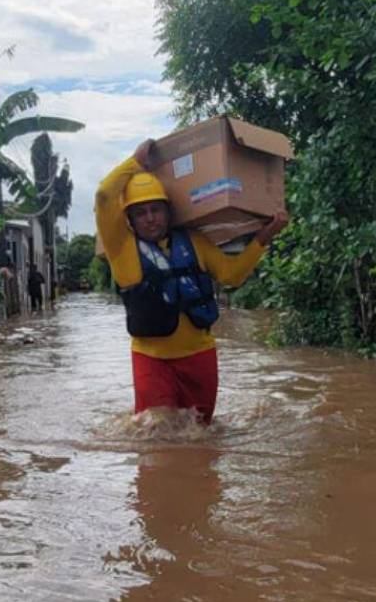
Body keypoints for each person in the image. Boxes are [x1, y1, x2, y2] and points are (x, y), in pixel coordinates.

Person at [95, 138, 289, 426]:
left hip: (200, 357)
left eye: (156, 209)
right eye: (140, 212)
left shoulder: (195, 242)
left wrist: (265, 237)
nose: (150, 219)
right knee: (156, 434)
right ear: (130, 220)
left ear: (168, 211)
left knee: (200, 435)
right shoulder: (121, 248)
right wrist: (135, 161)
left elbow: (231, 275)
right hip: (151, 360)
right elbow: (104, 196)